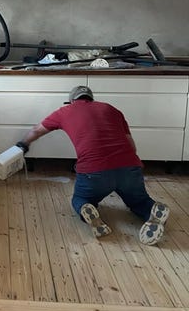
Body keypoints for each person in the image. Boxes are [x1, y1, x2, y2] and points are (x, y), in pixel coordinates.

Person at [16, 85, 169, 246]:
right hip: (129, 167)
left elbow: (36, 130)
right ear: (91, 98)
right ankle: (151, 211)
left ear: (72, 101)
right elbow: (132, 146)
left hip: (94, 172)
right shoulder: (111, 110)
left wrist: (23, 145)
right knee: (139, 201)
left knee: (80, 198)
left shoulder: (64, 111)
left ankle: (87, 208)